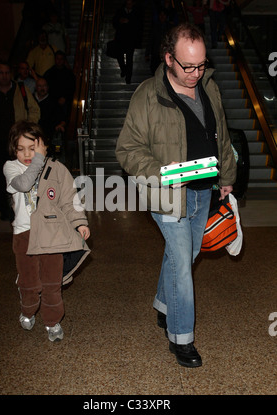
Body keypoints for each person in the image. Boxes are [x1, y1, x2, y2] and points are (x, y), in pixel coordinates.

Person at [116, 22, 237, 368]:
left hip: (203, 190)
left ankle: (164, 304)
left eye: (200, 65)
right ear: (168, 58)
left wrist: (227, 176)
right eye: (188, 66)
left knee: (184, 254)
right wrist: (162, 170)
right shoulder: (147, 96)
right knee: (182, 264)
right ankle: (181, 338)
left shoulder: (208, 88)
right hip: (166, 193)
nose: (195, 73)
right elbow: (126, 150)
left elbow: (222, 136)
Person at [3, 120, 90, 342]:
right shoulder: (11, 168)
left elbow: (70, 200)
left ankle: (52, 322)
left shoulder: (57, 170)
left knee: (52, 282)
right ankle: (28, 309)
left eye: (33, 148)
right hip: (25, 235)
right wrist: (39, 159)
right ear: (14, 150)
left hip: (52, 234)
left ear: (43, 146)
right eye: (21, 149)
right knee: (29, 281)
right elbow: (24, 184)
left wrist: (80, 222)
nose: (27, 154)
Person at [0, 60, 40, 220]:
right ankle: (4, 209)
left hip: (17, 143)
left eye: (6, 72)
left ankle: (21, 207)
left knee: (20, 175)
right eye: (0, 73)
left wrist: (27, 128)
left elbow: (34, 110)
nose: (4, 76)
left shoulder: (21, 90)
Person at [112, 0, 143, 84]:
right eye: (128, 3)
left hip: (130, 39)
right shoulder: (120, 11)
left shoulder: (136, 12)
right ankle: (123, 69)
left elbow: (138, 25)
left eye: (130, 3)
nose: (129, 5)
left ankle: (128, 77)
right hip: (120, 38)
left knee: (129, 59)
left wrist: (129, 22)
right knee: (119, 56)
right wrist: (120, 21)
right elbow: (114, 22)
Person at [43, 50, 75, 119]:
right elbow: (46, 87)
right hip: (52, 101)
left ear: (64, 60)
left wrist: (65, 98)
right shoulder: (49, 73)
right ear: (55, 59)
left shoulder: (69, 74)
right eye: (57, 59)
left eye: (61, 59)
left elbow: (72, 88)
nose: (59, 61)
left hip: (65, 102)